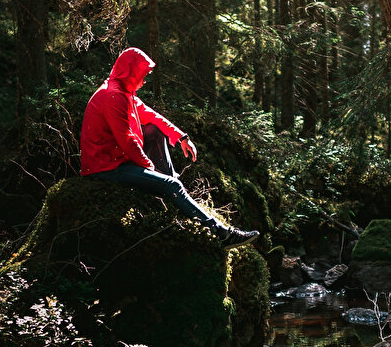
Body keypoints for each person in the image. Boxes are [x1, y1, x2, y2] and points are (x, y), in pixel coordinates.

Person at [80, 47, 259, 250]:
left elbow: (152, 116)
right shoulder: (113, 96)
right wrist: (149, 167)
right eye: (143, 75)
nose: (144, 80)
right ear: (131, 72)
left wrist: (182, 137)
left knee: (154, 131)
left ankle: (172, 186)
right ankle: (220, 233)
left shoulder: (123, 91)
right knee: (171, 186)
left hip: (117, 159)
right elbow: (127, 140)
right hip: (105, 167)